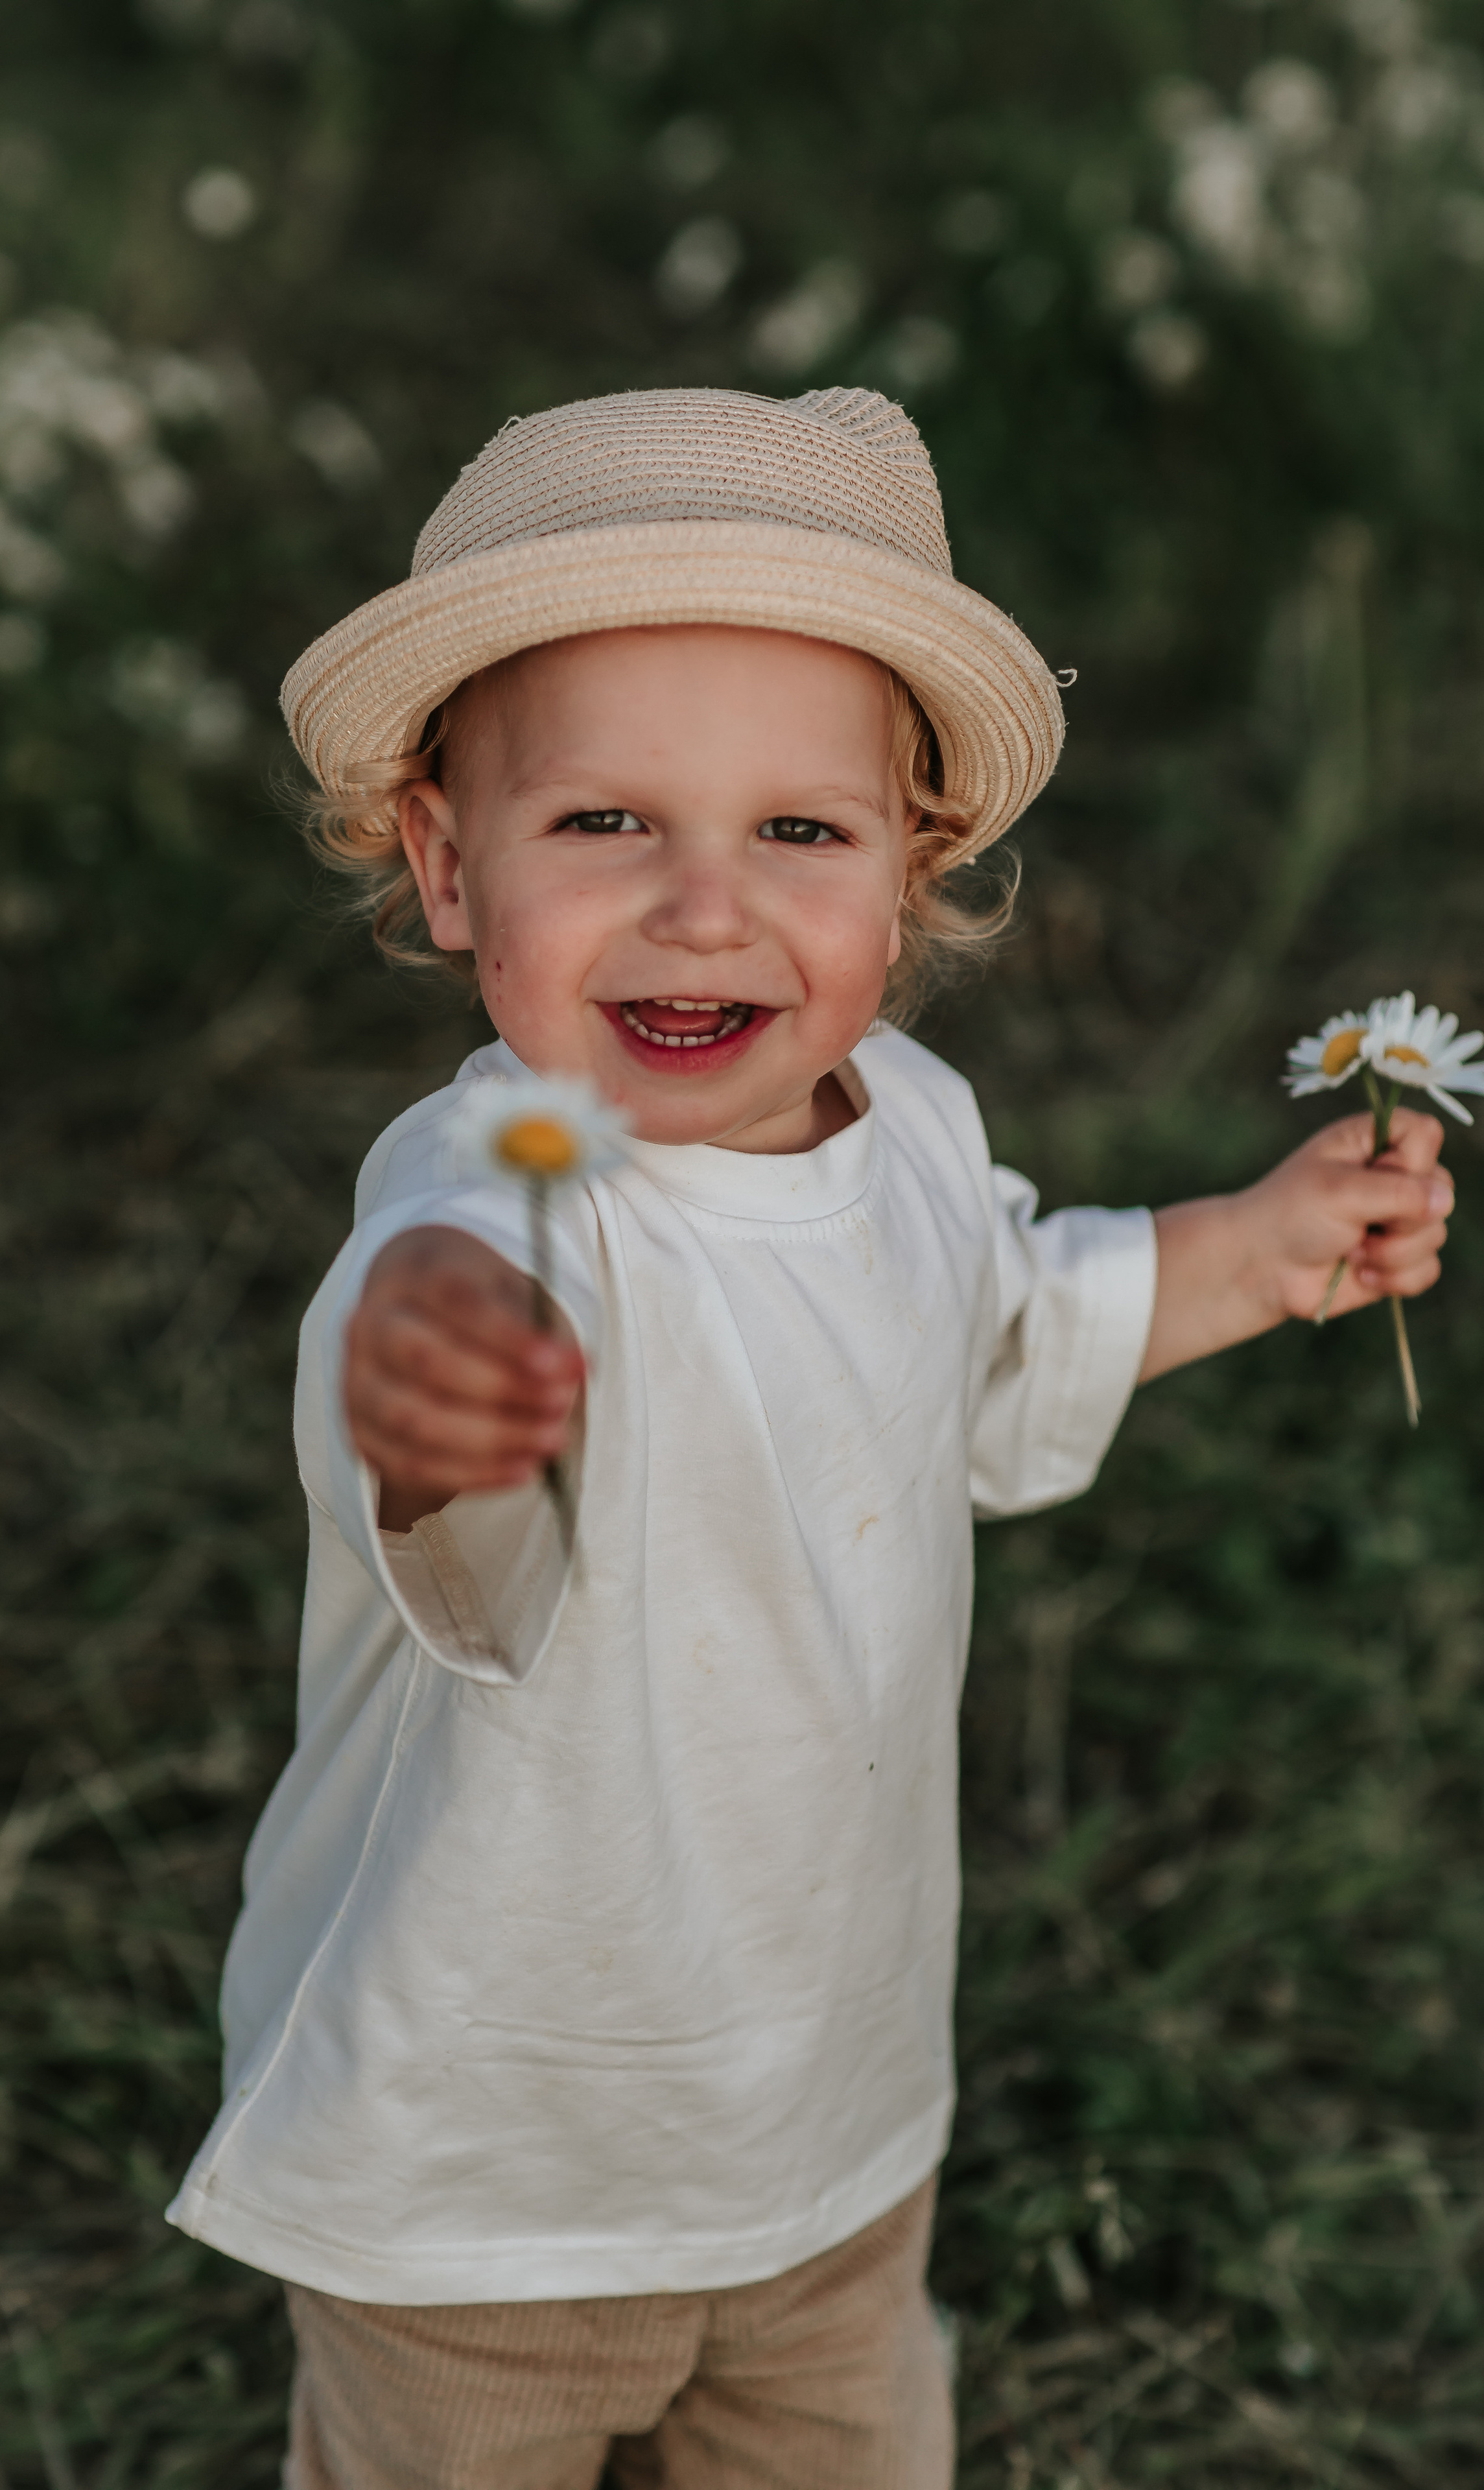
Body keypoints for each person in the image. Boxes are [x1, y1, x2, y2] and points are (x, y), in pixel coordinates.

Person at [167, 388, 1453, 2489]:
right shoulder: (503, 1198)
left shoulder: (916, 1131)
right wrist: (430, 1388)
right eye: (606, 822)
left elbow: (1000, 1334)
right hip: (487, 2167)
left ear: (914, 870)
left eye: (800, 833)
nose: (704, 907)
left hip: (826, 2125)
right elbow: (440, 1350)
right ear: (446, 865)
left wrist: (1247, 1249)